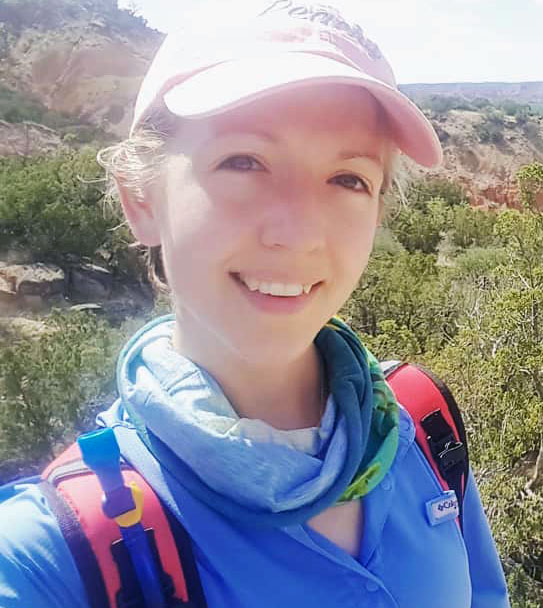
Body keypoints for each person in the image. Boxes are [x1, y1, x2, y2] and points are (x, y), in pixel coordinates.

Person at [0, 2, 510, 606]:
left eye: (348, 179)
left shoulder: (420, 425)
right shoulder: (55, 555)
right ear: (141, 198)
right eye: (244, 162)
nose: (298, 233)